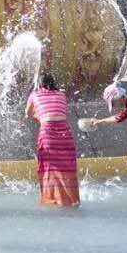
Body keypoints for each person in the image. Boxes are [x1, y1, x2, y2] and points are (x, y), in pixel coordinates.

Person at [25, 72, 80, 207]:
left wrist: (39, 118)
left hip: (48, 132)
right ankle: (71, 200)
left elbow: (27, 113)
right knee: (66, 166)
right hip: (65, 133)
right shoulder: (61, 94)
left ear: (39, 84)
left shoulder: (34, 94)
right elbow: (59, 111)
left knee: (49, 166)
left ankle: (51, 199)